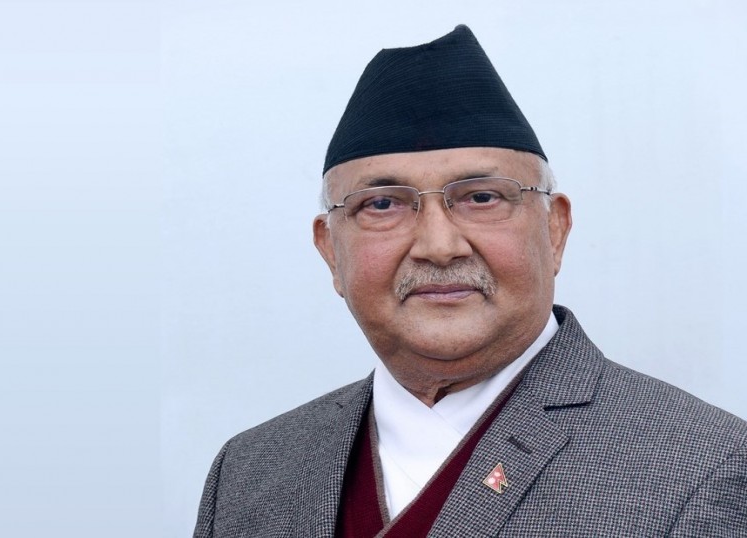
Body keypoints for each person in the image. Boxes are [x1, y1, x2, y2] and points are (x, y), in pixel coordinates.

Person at [194, 25, 747, 537]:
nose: (439, 246)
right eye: (382, 204)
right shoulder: (250, 472)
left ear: (555, 230)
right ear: (330, 251)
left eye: (482, 197)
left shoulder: (704, 467)